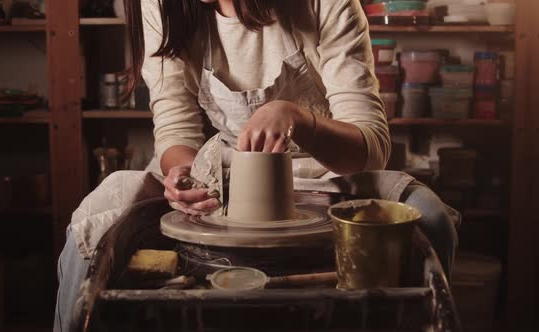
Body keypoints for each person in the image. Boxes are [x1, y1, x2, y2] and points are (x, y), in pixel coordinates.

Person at [54, 0, 459, 331]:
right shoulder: (165, 5)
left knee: (432, 216)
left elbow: (371, 147)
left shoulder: (327, 4)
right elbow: (175, 126)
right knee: (98, 214)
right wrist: (183, 175)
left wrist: (300, 119)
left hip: (331, 174)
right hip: (224, 173)